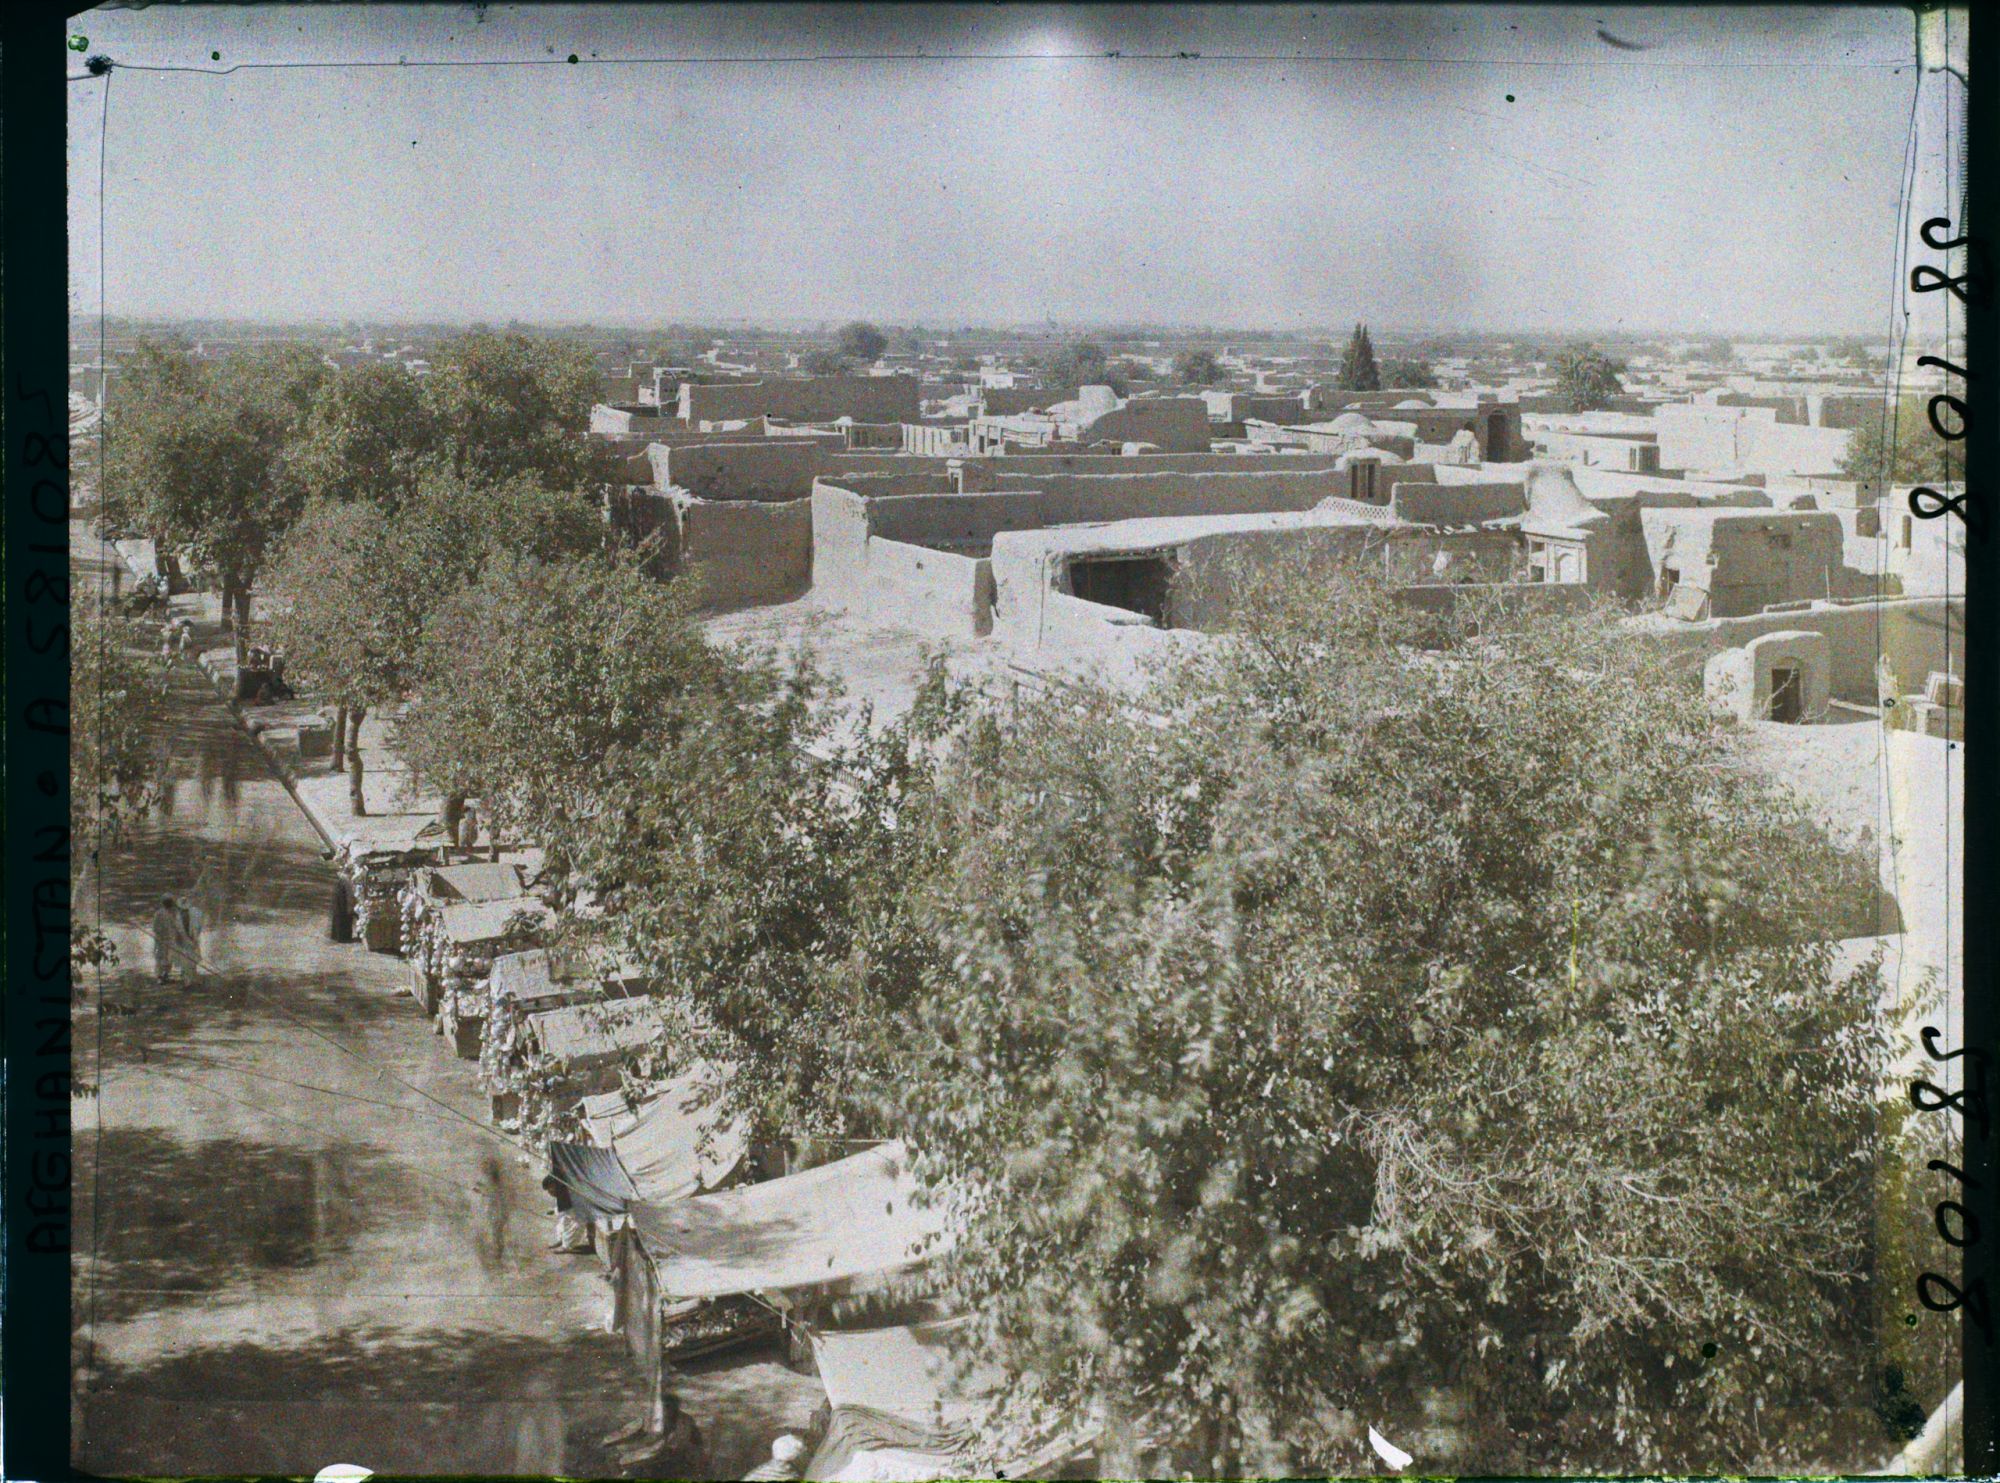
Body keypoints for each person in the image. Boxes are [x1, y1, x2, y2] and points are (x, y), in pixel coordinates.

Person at [150, 896, 181, 983]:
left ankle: (165, 975)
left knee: (169, 958)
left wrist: (176, 935)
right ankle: (160, 977)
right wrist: (161, 935)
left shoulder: (173, 913)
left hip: (170, 939)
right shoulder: (159, 914)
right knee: (160, 957)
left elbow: (175, 927)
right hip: (161, 940)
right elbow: (155, 928)